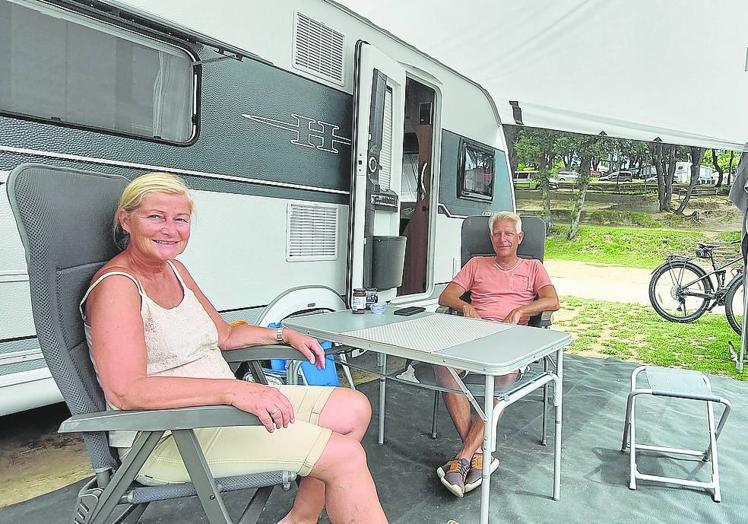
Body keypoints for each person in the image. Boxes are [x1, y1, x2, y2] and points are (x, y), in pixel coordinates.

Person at [81, 172, 387, 523]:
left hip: (215, 414)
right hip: (164, 435)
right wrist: (234, 390)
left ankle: (300, 518)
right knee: (344, 456)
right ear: (126, 219)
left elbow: (224, 334)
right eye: (155, 217)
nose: (170, 229)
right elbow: (127, 390)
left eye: (180, 219)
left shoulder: (174, 269)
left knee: (353, 409)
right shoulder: (117, 287)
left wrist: (284, 335)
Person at [435, 211, 560, 497]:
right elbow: (446, 296)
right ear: (491, 238)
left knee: (501, 374)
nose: (502, 239)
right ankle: (480, 455)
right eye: (496, 234)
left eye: (508, 234)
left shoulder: (533, 267)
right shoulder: (477, 264)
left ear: (520, 238)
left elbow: (552, 301)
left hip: (512, 338)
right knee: (444, 368)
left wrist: (521, 310)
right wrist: (465, 306)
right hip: (473, 333)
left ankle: (464, 458)